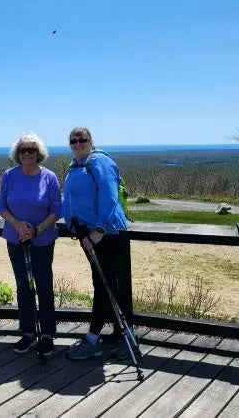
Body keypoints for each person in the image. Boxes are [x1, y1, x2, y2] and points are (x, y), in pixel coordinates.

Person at [62, 127, 132, 360]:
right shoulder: (75, 165)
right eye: (74, 140)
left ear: (91, 141)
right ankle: (119, 335)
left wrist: (100, 231)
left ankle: (102, 338)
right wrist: (75, 227)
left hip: (109, 234)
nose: (78, 143)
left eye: (83, 139)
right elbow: (70, 199)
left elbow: (110, 198)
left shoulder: (99, 162)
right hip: (88, 236)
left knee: (111, 287)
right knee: (104, 285)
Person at [0, 132, 61, 356]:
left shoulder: (50, 177)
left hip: (42, 240)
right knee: (23, 286)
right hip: (15, 239)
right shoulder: (8, 176)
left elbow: (56, 210)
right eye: (23, 150)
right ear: (17, 153)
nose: (27, 153)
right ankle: (27, 333)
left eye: (31, 150)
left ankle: (47, 335)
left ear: (38, 153)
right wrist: (18, 225)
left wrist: (36, 230)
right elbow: (2, 207)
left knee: (44, 286)